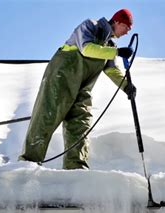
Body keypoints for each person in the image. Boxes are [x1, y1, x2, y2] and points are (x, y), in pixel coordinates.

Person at [19, 8, 137, 169]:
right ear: (117, 21)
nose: (127, 33)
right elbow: (86, 48)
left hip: (82, 87)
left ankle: (75, 169)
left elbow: (111, 70)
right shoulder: (91, 26)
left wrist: (126, 86)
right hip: (62, 77)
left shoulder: (109, 45)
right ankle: (28, 163)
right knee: (47, 117)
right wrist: (116, 52)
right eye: (127, 28)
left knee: (80, 124)